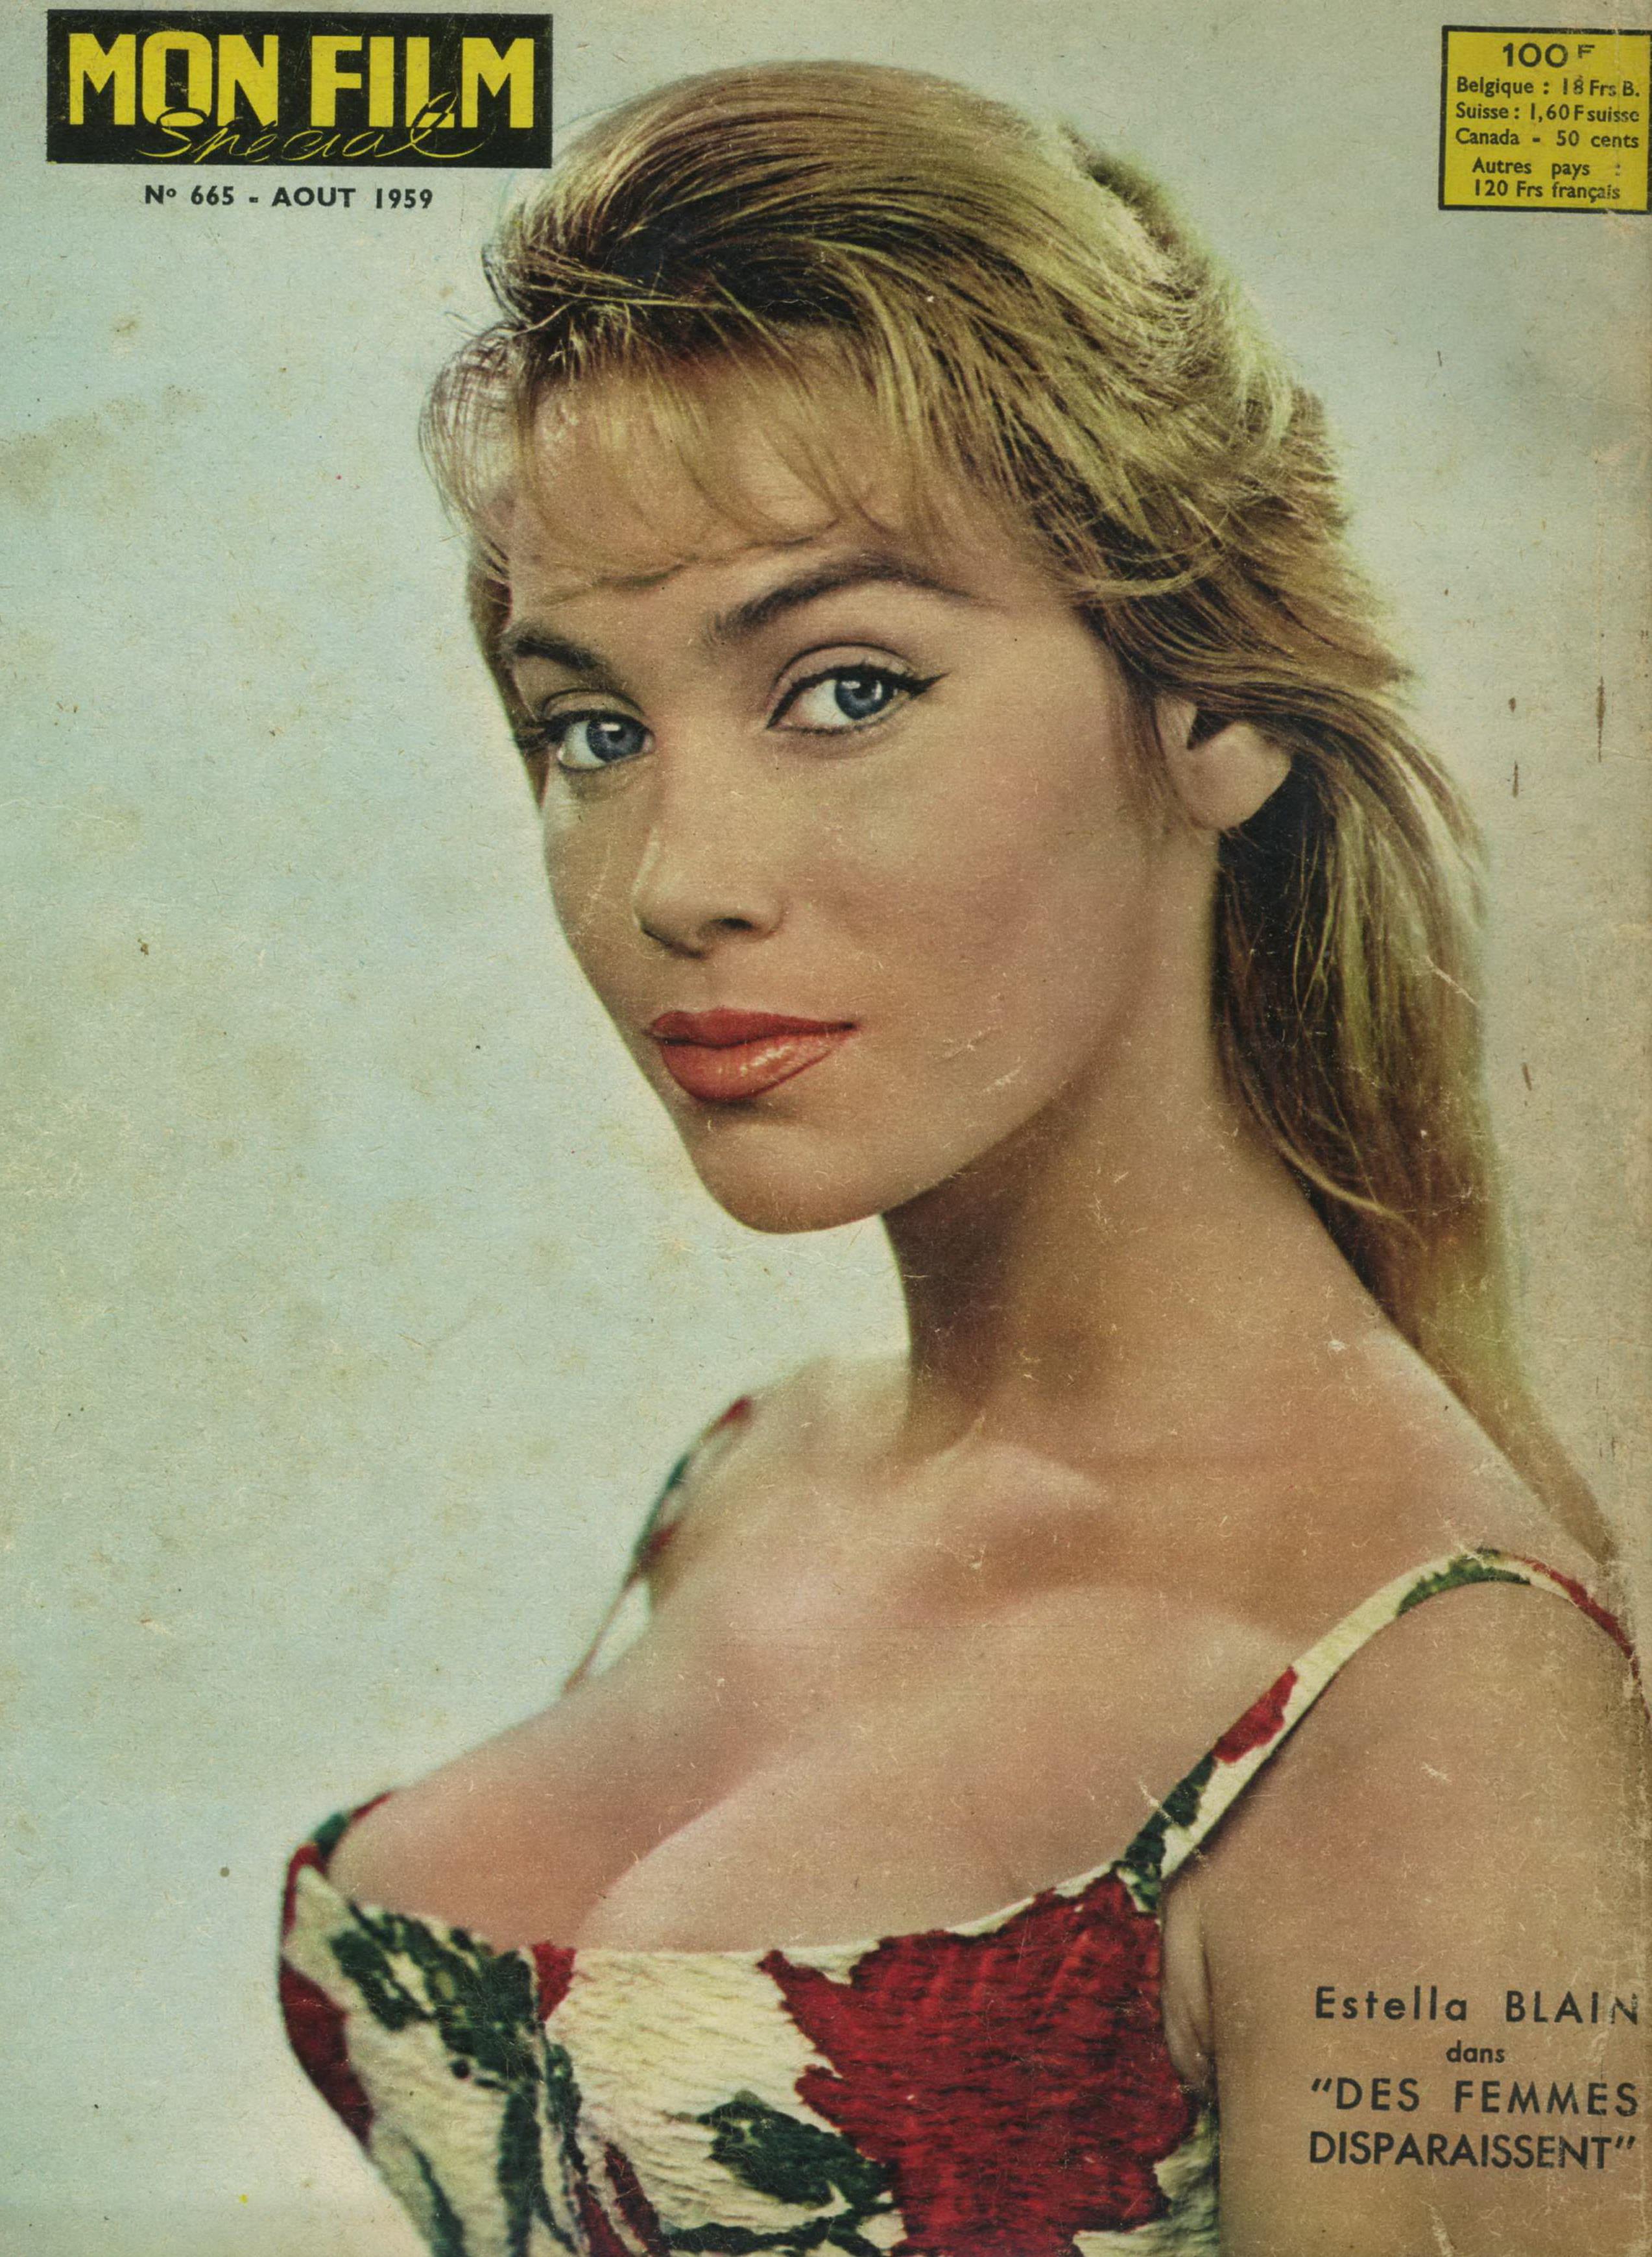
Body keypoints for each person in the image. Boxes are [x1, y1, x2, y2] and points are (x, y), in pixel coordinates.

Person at [278, 61, 1649, 2257]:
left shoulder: (1431, 1699)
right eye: (592, 729)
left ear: (1212, 709)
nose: (675, 883)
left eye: (842, 689)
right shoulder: (754, 1470)